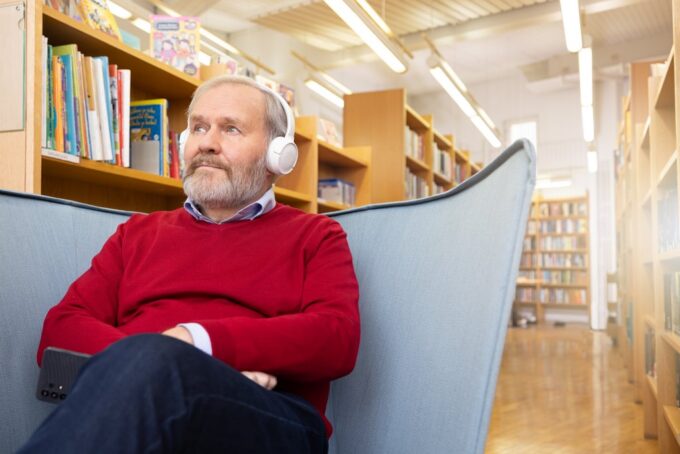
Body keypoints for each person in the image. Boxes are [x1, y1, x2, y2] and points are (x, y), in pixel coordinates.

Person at [19, 75, 361, 454]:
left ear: (277, 155)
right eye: (198, 127)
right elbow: (60, 329)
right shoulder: (137, 234)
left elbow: (335, 338)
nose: (207, 143)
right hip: (144, 406)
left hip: (272, 416)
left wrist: (196, 341)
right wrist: (176, 364)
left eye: (230, 129)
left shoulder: (317, 235)